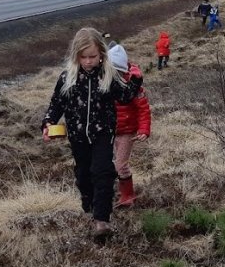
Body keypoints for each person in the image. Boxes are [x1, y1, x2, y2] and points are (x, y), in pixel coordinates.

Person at [42, 27, 142, 237]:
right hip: (78, 137)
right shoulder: (67, 78)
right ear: (76, 55)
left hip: (102, 134)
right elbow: (56, 104)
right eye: (83, 57)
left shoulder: (108, 75)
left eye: (93, 56)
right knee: (84, 176)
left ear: (102, 55)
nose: (88, 61)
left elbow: (125, 96)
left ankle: (102, 221)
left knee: (103, 172)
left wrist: (135, 80)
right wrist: (48, 123)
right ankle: (88, 202)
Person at [108, 44, 151, 208]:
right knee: (109, 164)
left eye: (118, 72)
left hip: (127, 132)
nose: (115, 75)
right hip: (110, 130)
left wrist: (143, 130)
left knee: (120, 164)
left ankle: (127, 195)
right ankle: (120, 193)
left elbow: (143, 109)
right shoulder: (105, 83)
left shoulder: (133, 87)